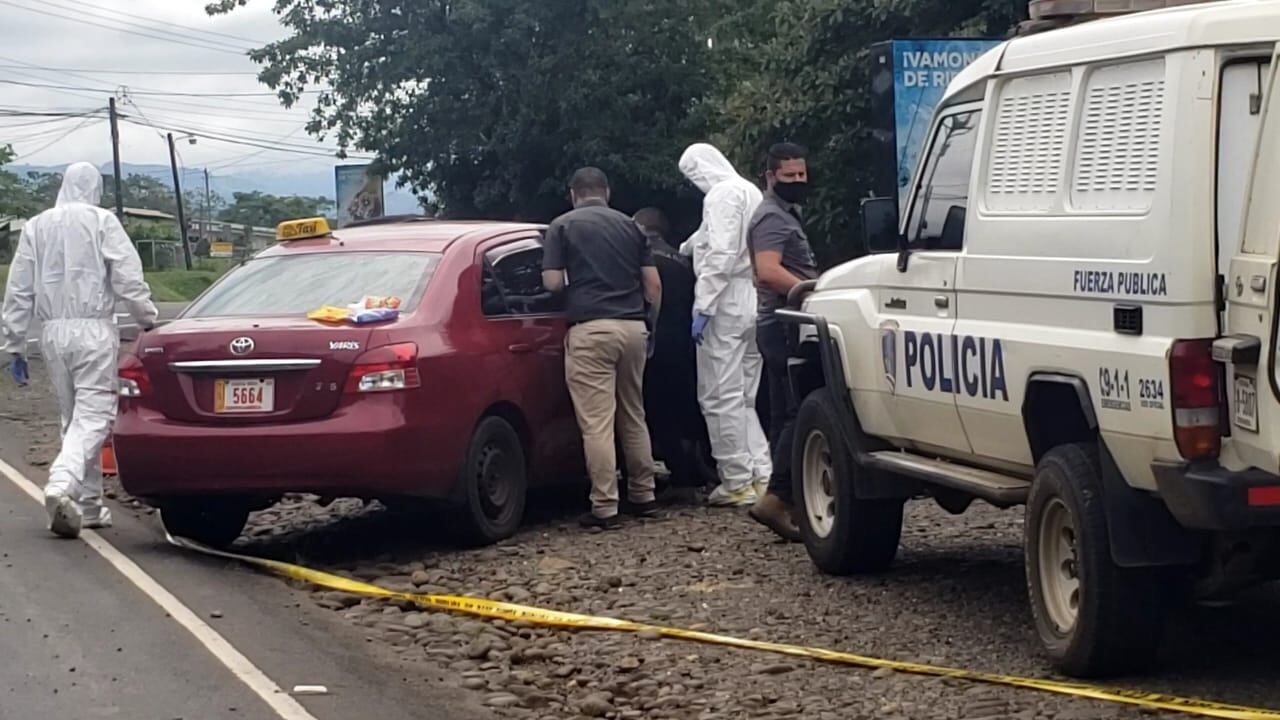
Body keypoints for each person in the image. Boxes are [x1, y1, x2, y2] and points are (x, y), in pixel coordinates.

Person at [2, 162, 158, 538]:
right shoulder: (103, 221)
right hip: (93, 330)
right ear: (95, 189)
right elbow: (127, 277)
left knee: (73, 417)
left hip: (52, 333)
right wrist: (147, 318)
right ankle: (61, 484)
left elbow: (19, 288)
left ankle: (88, 505)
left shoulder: (37, 226)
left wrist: (14, 345)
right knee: (95, 416)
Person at [542, 167, 663, 529]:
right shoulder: (633, 227)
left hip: (590, 328)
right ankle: (644, 495)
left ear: (573, 193)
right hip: (632, 328)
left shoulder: (561, 227)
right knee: (633, 413)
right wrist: (648, 326)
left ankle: (605, 505)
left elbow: (550, 283)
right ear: (606, 192)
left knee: (597, 423)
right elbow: (653, 286)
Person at [678, 143, 770, 507]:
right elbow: (709, 239)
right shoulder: (750, 190)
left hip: (726, 301)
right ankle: (762, 474)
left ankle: (735, 481)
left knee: (719, 395)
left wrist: (704, 305)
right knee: (745, 396)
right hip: (754, 297)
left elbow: (719, 252)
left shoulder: (719, 195)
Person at [747, 143, 819, 542]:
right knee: (796, 411)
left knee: (781, 413)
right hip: (783, 323)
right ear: (770, 177)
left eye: (801, 175)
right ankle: (777, 498)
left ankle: (784, 499)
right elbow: (768, 272)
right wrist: (814, 291)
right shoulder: (772, 218)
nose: (797, 182)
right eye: (789, 176)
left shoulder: (785, 213)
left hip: (780, 323)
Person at [633, 207, 705, 487]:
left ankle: (670, 471)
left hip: (652, 341)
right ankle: (692, 469)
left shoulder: (641, 258)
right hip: (684, 340)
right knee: (684, 404)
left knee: (653, 407)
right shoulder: (683, 260)